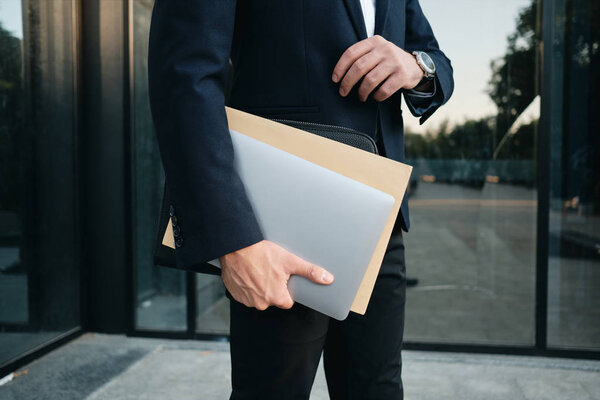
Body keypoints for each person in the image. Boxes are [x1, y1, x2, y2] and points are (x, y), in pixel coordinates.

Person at [148, 1, 453, 398]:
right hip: (278, 227)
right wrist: (233, 241)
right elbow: (184, 75)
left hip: (379, 222)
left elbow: (435, 59)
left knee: (378, 390)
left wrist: (417, 67)